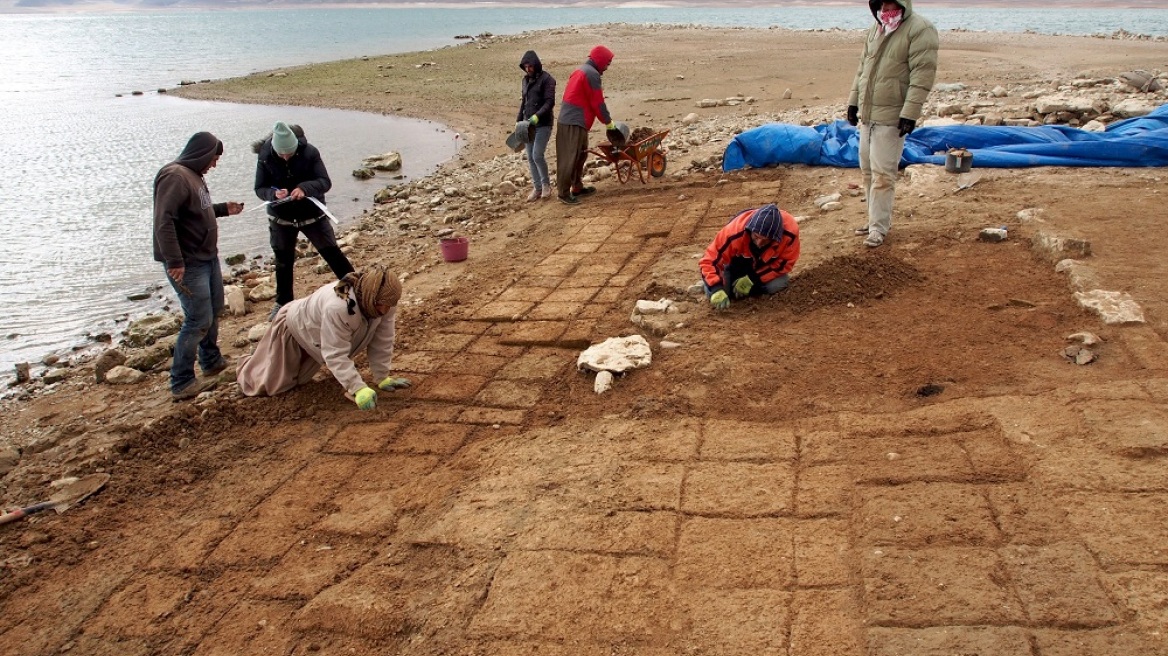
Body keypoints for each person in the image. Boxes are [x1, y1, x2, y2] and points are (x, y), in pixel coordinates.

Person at [236, 265, 410, 411]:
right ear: (371, 296)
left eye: (389, 306)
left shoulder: (384, 301)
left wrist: (382, 376)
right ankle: (246, 368)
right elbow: (334, 352)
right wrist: (357, 388)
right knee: (271, 384)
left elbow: (383, 338)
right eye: (382, 305)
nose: (385, 311)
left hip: (320, 334)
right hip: (295, 328)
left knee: (300, 378)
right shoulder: (340, 306)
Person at [152, 132, 244, 401]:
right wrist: (174, 260)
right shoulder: (174, 176)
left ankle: (211, 361)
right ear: (201, 154)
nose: (213, 165)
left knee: (214, 310)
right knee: (198, 319)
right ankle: (181, 381)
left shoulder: (194, 176)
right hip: (188, 263)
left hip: (207, 257)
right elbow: (164, 221)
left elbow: (195, 212)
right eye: (213, 159)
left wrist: (223, 209)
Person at [846, 0, 938, 248]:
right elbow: (862, 70)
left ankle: (878, 228)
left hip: (891, 118)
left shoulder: (919, 29)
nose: (886, 9)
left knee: (883, 175)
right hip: (868, 116)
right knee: (867, 171)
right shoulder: (876, 29)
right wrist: (853, 102)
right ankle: (874, 219)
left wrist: (910, 113)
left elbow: (922, 75)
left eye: (890, 4)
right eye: (882, 4)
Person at [254, 121, 354, 319]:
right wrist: (273, 195)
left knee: (332, 253)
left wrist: (305, 188)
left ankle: (352, 291)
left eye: (288, 153)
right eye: (281, 154)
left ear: (295, 147)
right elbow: (259, 188)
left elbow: (324, 182)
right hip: (281, 218)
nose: (285, 157)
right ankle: (283, 304)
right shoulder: (265, 156)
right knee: (283, 261)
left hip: (312, 215)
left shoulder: (310, 153)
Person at [699, 204, 800, 310]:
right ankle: (724, 286)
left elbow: (784, 263)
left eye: (765, 240)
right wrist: (716, 288)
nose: (759, 243)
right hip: (735, 266)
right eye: (756, 237)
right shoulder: (734, 231)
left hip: (762, 269)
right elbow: (709, 260)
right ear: (750, 230)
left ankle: (748, 291)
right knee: (719, 293)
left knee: (778, 283)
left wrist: (753, 279)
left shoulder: (789, 234)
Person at [555, 45, 619, 205]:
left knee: (580, 156)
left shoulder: (582, 70)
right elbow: (597, 102)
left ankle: (577, 187)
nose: (607, 67)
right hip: (572, 122)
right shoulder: (591, 75)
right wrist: (609, 122)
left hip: (577, 121)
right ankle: (563, 193)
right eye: (607, 63)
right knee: (569, 158)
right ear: (600, 60)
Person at [517, 50, 557, 202]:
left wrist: (537, 116)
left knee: (537, 155)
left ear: (536, 64)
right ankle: (537, 188)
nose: (528, 69)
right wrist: (519, 120)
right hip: (527, 124)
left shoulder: (548, 80)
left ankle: (546, 185)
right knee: (530, 157)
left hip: (544, 123)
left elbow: (550, 102)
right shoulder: (525, 80)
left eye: (530, 66)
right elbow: (524, 102)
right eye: (526, 67)